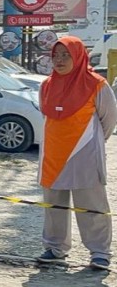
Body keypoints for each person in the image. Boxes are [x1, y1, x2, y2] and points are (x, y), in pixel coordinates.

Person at [36, 36, 117, 270]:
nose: (59, 60)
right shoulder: (46, 85)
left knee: (92, 205)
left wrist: (92, 143)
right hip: (53, 154)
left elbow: (108, 121)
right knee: (54, 205)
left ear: (79, 56)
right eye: (56, 55)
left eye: (66, 55)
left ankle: (100, 253)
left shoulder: (98, 84)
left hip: (85, 153)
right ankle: (55, 248)